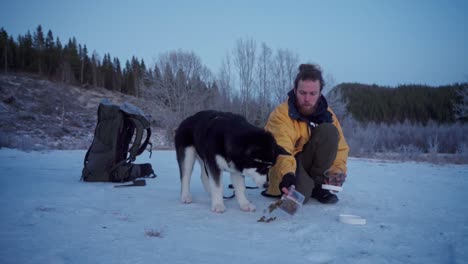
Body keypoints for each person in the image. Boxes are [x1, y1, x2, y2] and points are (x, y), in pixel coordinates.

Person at [262, 63, 349, 204]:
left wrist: (336, 172)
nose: (307, 99)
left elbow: (340, 148)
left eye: (312, 94)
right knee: (299, 197)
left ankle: (319, 185)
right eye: (303, 93)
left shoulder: (328, 114)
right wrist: (287, 175)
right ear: (295, 90)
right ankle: (306, 186)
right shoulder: (281, 115)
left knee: (329, 131)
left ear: (320, 93)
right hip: (286, 166)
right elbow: (281, 149)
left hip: (308, 165)